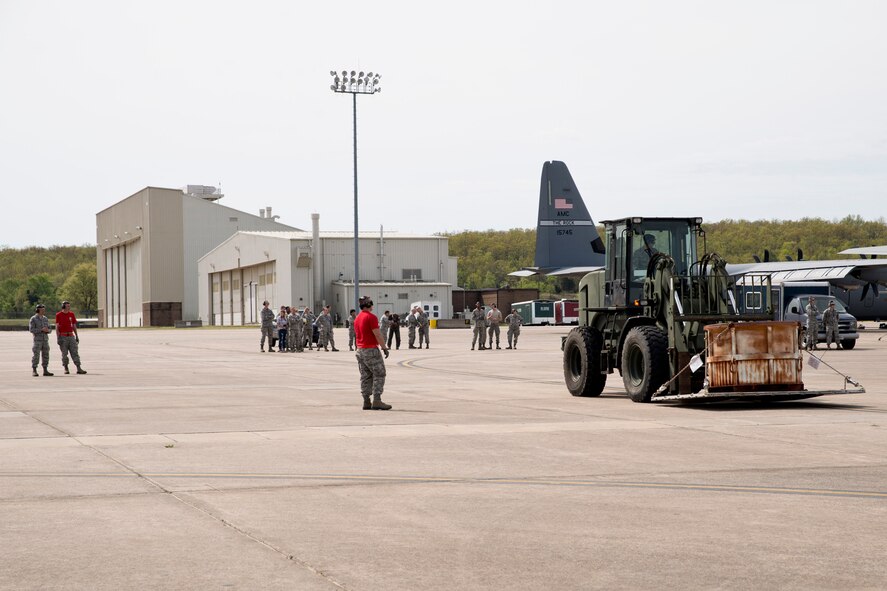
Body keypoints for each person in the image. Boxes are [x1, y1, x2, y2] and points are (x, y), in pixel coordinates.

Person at [354, 295, 391, 410]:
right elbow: (377, 334)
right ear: (369, 304)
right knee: (379, 373)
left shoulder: (357, 318)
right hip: (370, 350)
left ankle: (366, 401)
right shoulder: (371, 317)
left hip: (360, 350)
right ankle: (377, 400)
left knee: (365, 376)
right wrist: (384, 347)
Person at [55, 300, 86, 374]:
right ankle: (66, 368)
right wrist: (58, 337)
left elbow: (74, 325)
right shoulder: (58, 315)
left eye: (69, 306)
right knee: (64, 354)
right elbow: (57, 326)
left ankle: (78, 368)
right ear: (63, 306)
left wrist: (76, 336)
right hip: (63, 336)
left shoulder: (71, 314)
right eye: (67, 306)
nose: (69, 307)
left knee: (75, 352)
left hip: (71, 336)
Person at [29, 304, 53, 376]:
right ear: (38, 310)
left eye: (44, 310)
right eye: (42, 310)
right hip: (38, 340)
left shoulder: (45, 318)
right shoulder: (33, 319)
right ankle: (34, 370)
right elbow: (31, 329)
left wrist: (47, 330)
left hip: (45, 340)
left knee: (46, 355)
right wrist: (41, 330)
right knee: (36, 355)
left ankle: (45, 370)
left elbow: (50, 329)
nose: (43, 311)